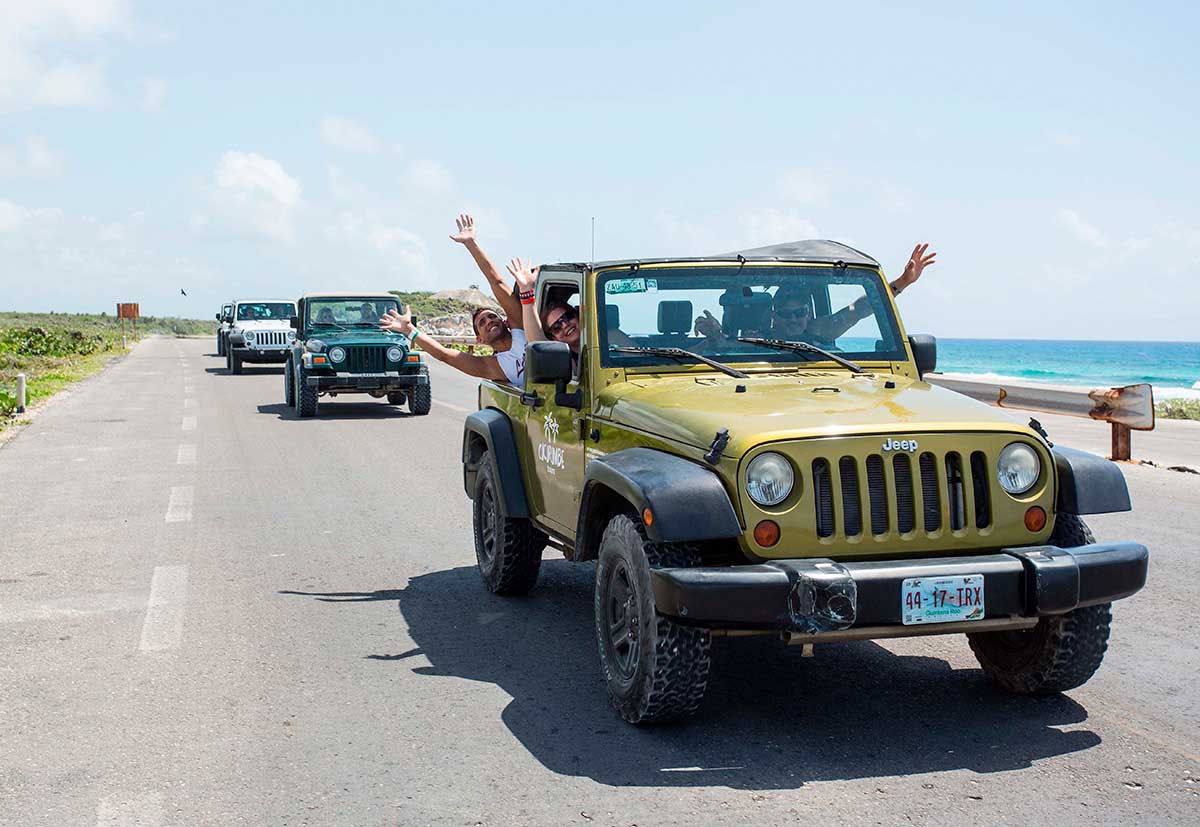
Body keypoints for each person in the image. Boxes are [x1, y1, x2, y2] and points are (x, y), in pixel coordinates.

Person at [378, 214, 528, 384]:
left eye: (492, 316)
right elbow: (444, 355)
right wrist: (409, 330)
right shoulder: (492, 366)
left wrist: (471, 243)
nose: (489, 321)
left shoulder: (521, 328)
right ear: (480, 340)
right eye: (482, 322)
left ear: (506, 321)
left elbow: (497, 282)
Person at [694, 242, 938, 346]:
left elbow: (861, 309)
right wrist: (716, 335)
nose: (794, 320)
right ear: (773, 314)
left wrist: (903, 282)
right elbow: (727, 350)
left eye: (799, 312)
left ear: (808, 312)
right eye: (786, 314)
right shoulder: (755, 339)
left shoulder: (820, 331)